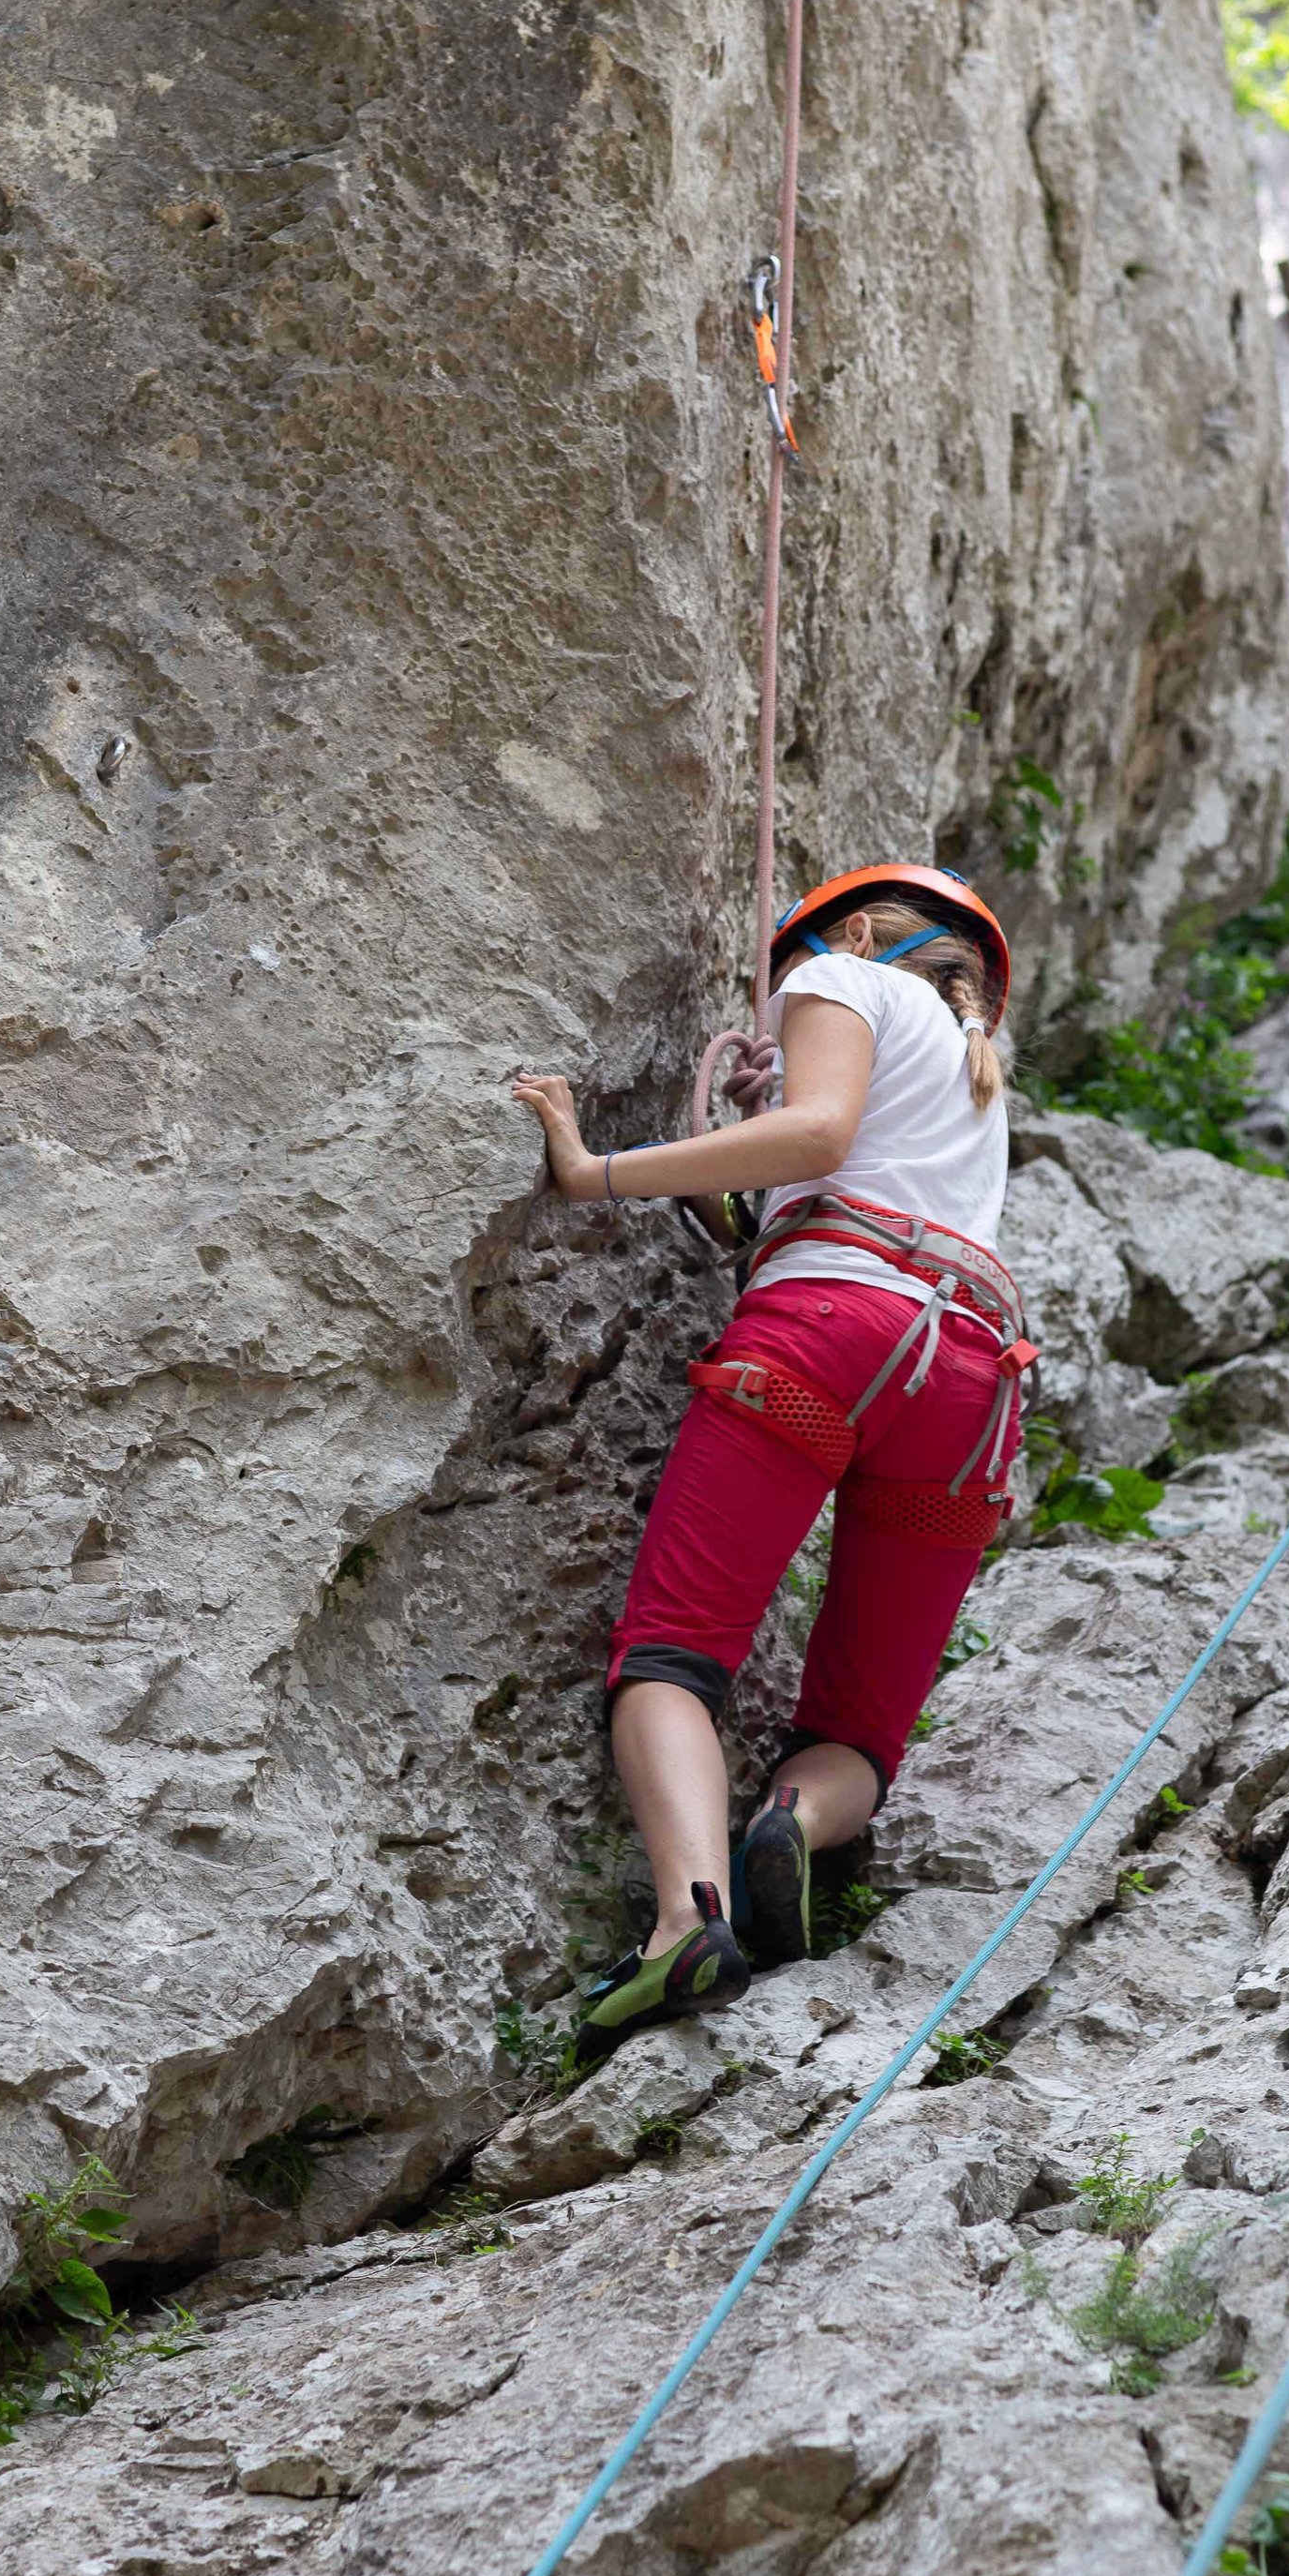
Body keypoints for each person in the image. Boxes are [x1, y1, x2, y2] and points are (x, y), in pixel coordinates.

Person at [514, 864, 1036, 2068]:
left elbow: (819, 1134)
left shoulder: (834, 971)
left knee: (672, 1651)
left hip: (829, 1335)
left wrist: (594, 1167)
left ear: (852, 930)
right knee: (860, 1732)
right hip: (968, 1384)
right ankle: (794, 1822)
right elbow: (840, 1174)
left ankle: (684, 1923)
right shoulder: (974, 1079)